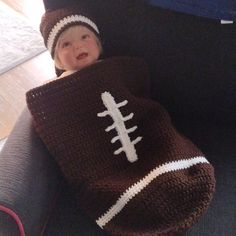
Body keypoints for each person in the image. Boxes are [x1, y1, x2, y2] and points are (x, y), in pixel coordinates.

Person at [26, 5, 215, 236]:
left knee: (168, 145)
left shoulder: (120, 68)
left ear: (98, 42)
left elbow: (144, 105)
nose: (78, 45)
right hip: (103, 164)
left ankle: (173, 174)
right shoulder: (55, 93)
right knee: (114, 191)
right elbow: (60, 128)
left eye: (85, 36)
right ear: (57, 60)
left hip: (149, 143)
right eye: (66, 44)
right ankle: (136, 207)